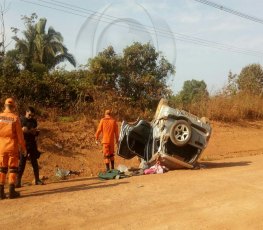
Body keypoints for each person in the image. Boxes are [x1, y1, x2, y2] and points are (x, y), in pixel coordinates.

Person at [0, 98, 26, 199]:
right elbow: (20, 136)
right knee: (13, 168)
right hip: (12, 146)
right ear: (13, 107)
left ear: (4, 106)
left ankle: (1, 192)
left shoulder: (0, 117)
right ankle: (11, 191)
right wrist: (23, 148)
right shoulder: (15, 118)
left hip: (1, 146)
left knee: (2, 168)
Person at [16, 106, 43, 188]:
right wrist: (23, 130)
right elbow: (17, 131)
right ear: (26, 112)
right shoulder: (21, 120)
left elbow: (36, 132)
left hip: (32, 143)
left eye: (32, 115)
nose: (31, 117)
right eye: (29, 115)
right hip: (23, 144)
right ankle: (18, 182)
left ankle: (37, 179)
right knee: (22, 163)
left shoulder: (34, 121)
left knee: (34, 162)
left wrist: (34, 132)